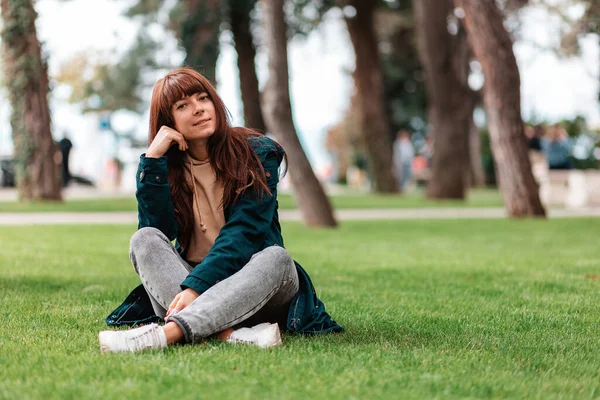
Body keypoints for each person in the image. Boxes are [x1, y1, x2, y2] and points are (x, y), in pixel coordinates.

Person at [99, 68, 342, 353]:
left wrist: (195, 289)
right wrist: (152, 161)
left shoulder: (258, 153)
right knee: (144, 239)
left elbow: (246, 232)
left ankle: (165, 335)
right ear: (169, 121)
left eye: (203, 98)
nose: (198, 109)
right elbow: (160, 234)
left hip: (256, 284)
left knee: (277, 257)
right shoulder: (168, 168)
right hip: (190, 282)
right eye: (182, 105)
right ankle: (228, 334)